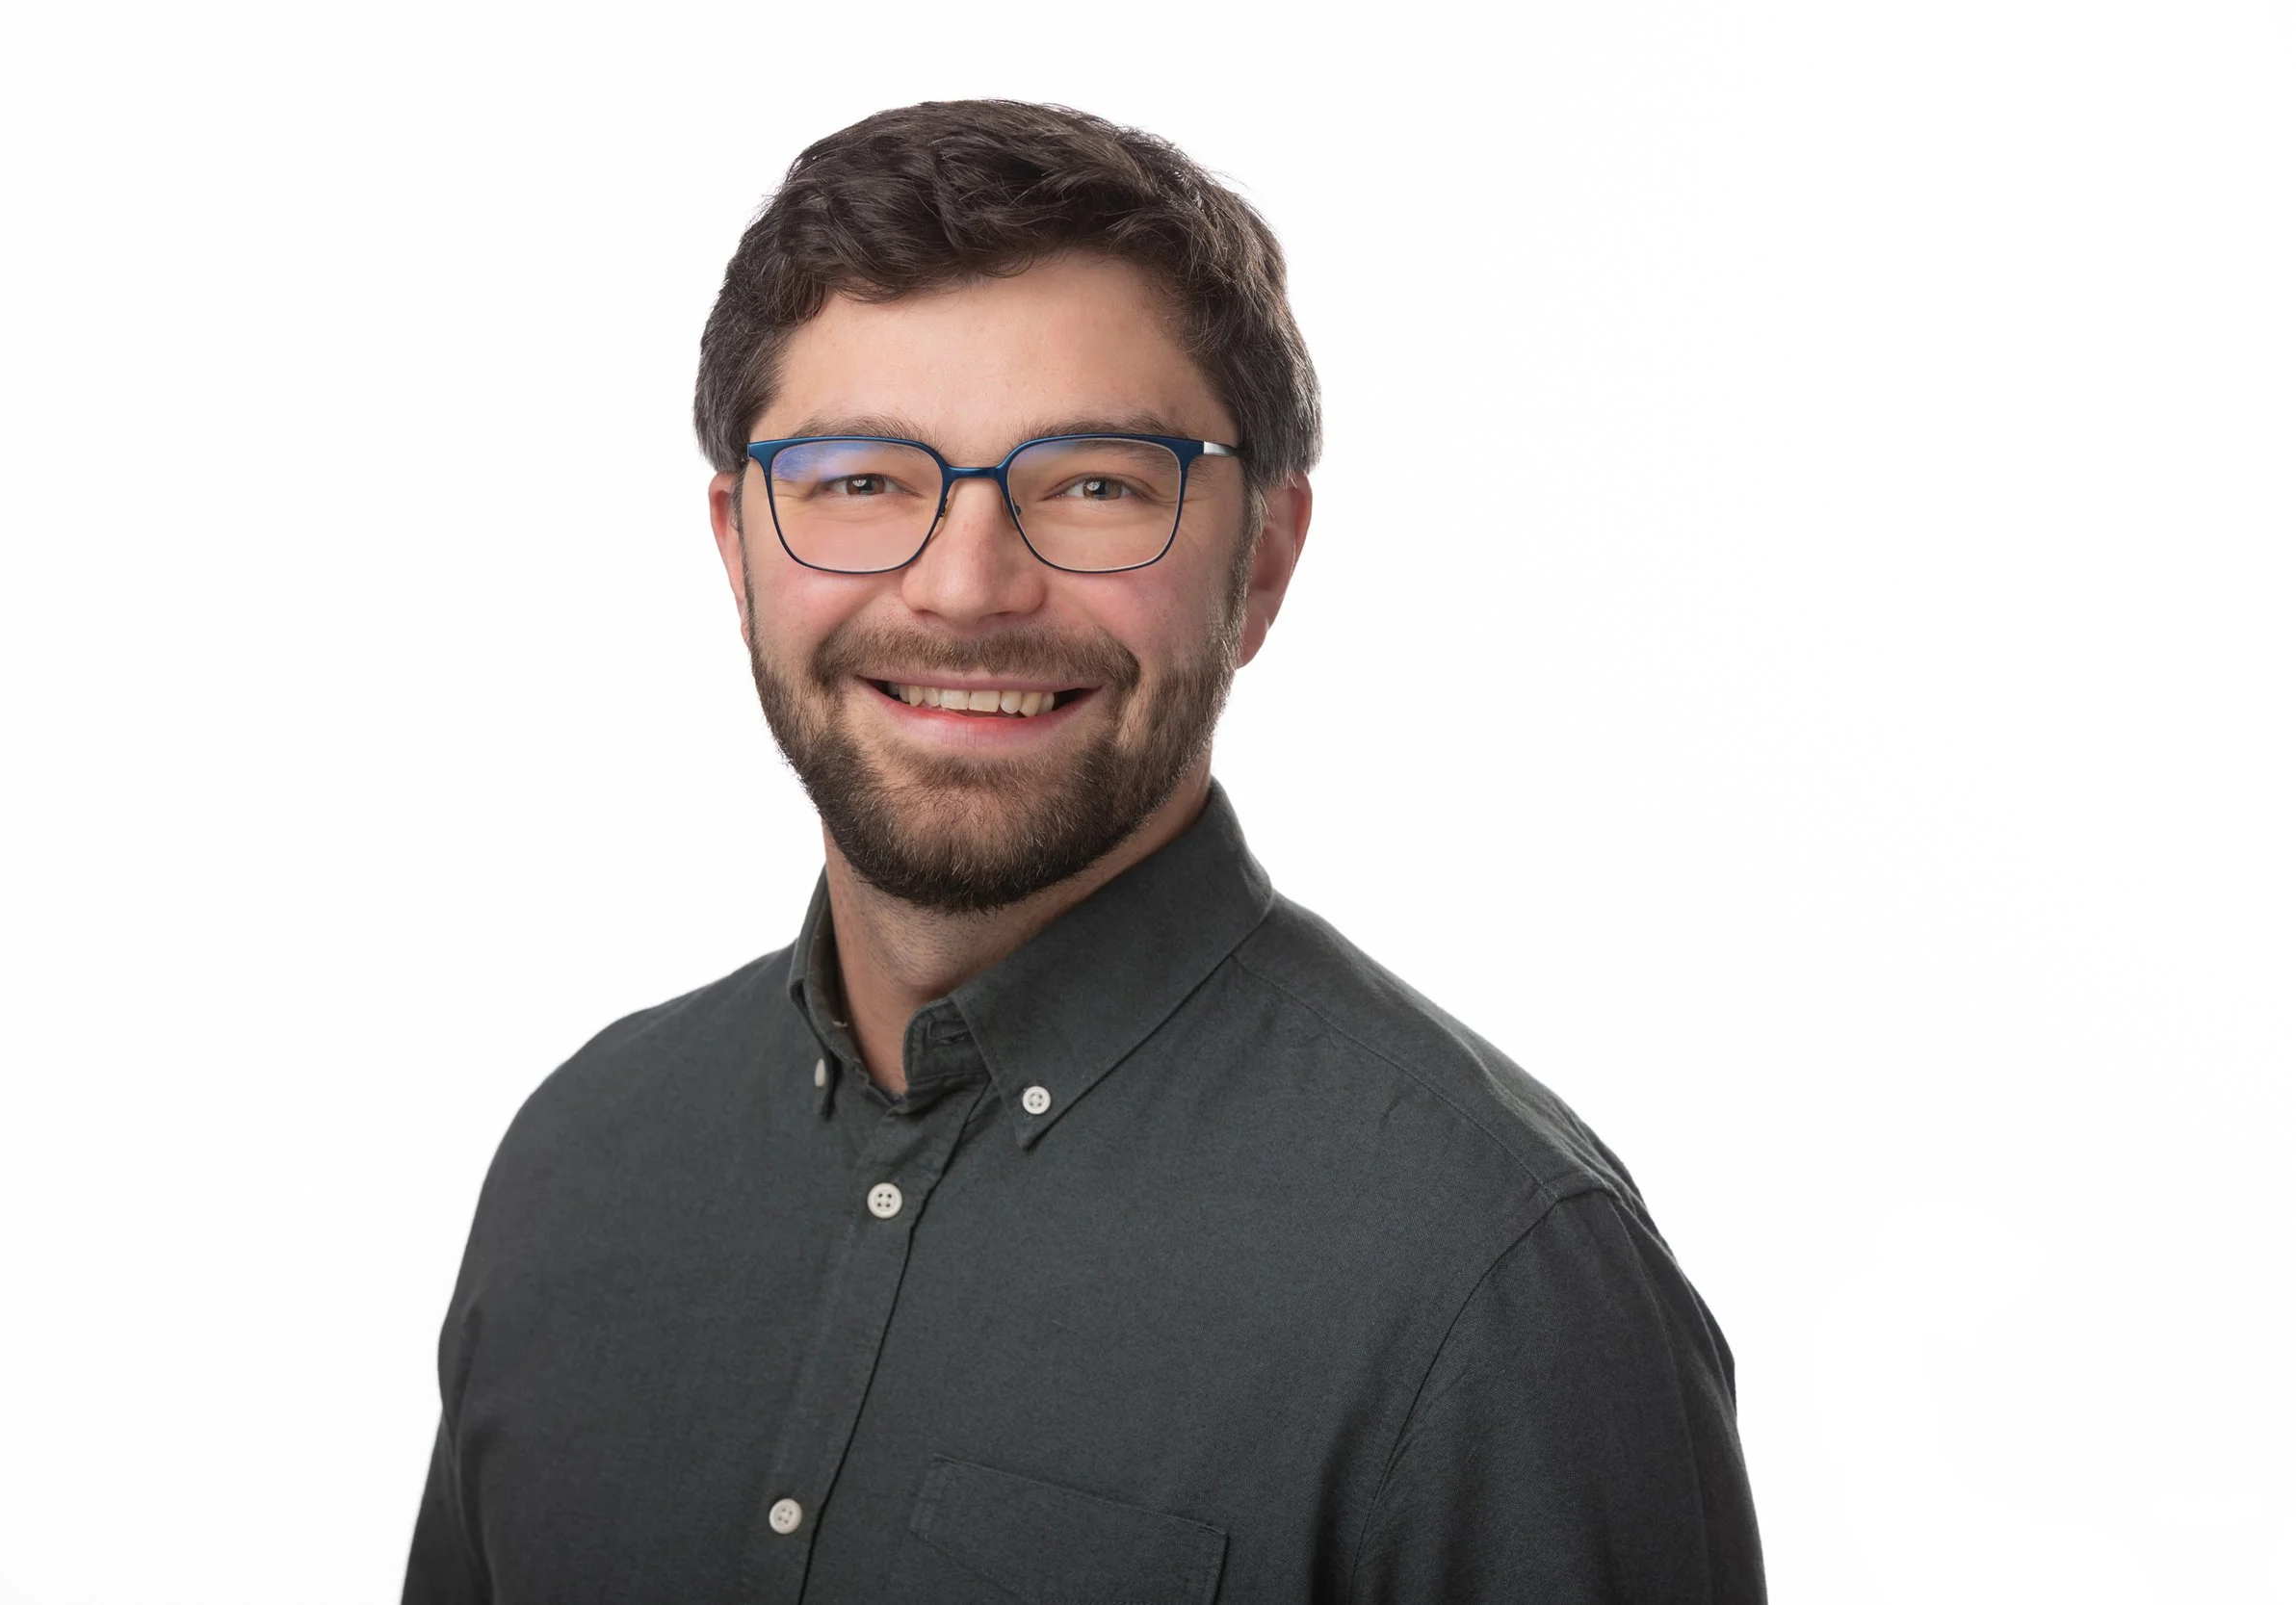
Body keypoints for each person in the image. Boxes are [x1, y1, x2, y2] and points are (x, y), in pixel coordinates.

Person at [403, 99, 1764, 1605]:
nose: (966, 585)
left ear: (1263, 560)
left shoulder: (1498, 1288)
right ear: (738, 547)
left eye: (1095, 485)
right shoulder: (577, 1167)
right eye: (862, 477)